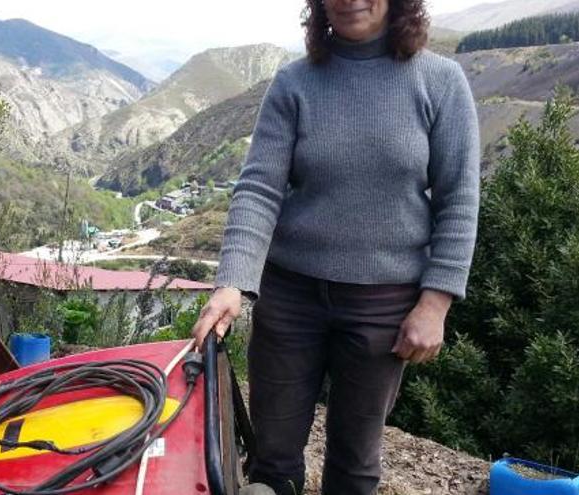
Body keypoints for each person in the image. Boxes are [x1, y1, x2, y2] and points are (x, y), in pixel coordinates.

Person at [192, 0, 480, 494]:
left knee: (355, 463)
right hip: (289, 300)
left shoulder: (440, 81)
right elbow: (259, 188)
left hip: (382, 307)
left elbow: (459, 197)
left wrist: (436, 303)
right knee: (271, 457)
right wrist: (234, 282)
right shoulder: (294, 83)